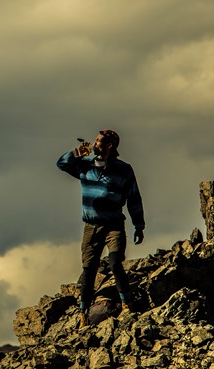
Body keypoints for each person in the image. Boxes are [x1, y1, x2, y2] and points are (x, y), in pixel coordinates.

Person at [56, 129, 145, 328]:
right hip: (91, 227)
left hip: (114, 225)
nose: (95, 144)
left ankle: (126, 303)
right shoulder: (85, 166)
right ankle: (83, 312)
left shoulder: (123, 170)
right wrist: (75, 153)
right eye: (95, 140)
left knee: (114, 262)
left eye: (99, 141)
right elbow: (61, 164)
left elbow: (134, 198)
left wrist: (139, 225)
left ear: (110, 146)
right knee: (88, 270)